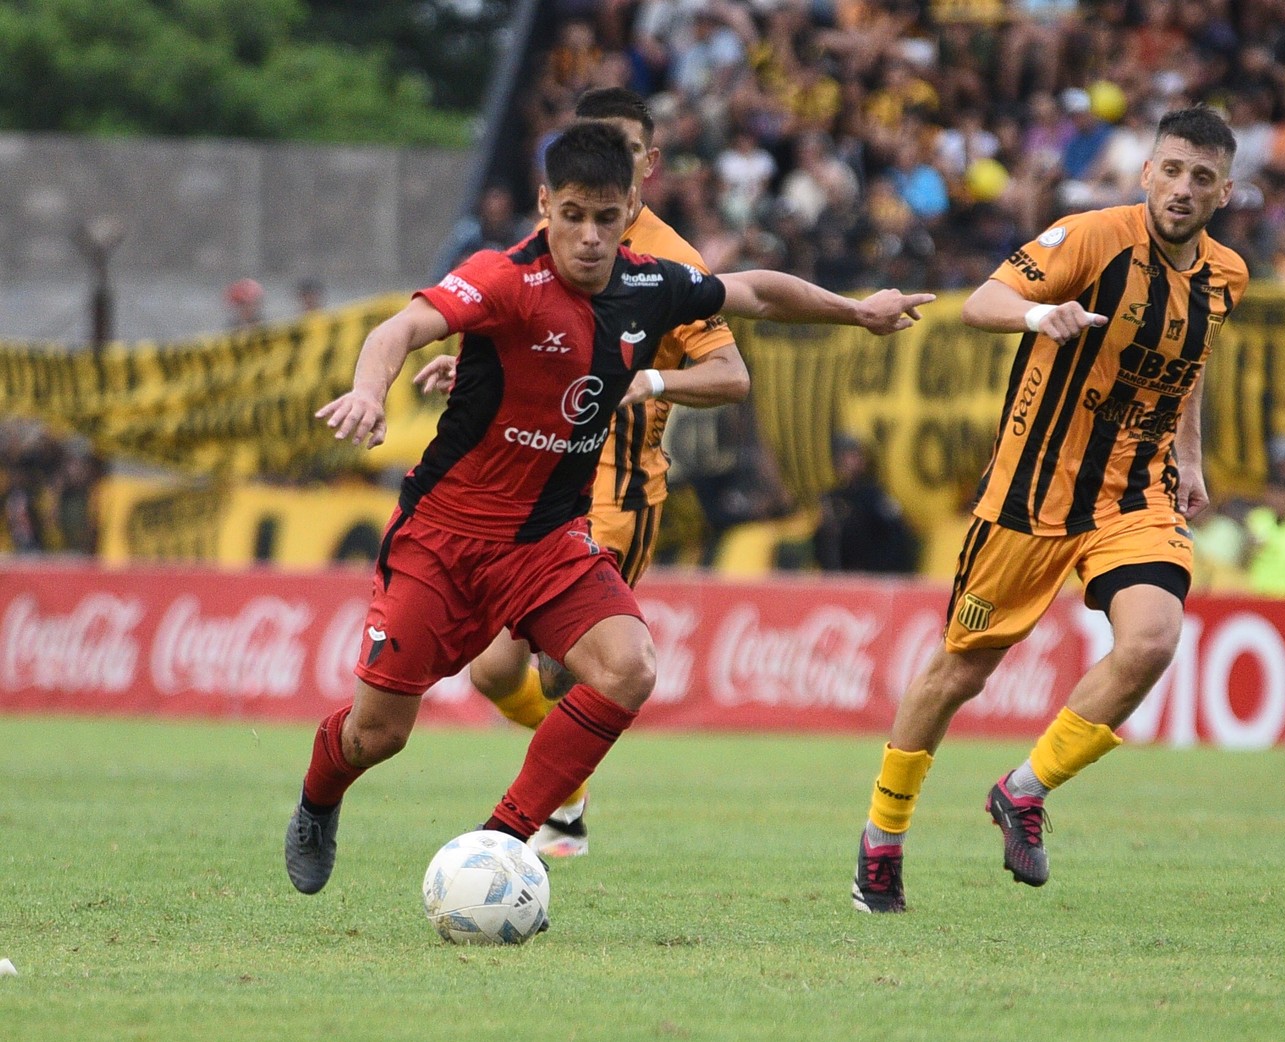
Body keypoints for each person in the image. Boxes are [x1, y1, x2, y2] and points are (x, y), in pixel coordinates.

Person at [284, 119, 933, 896]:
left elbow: (755, 290)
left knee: (628, 667)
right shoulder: (501, 277)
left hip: (547, 542)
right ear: (544, 207)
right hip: (443, 540)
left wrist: (857, 309)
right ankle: (318, 800)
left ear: (630, 209)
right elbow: (404, 326)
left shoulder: (652, 283)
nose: (588, 237)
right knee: (377, 735)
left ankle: (502, 844)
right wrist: (366, 389)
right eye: (572, 216)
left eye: (605, 217)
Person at [851, 106, 1249, 914]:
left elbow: (1191, 357)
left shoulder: (1225, 277)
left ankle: (1022, 790)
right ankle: (881, 841)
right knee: (959, 671)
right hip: (1029, 497)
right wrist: (1042, 315)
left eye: (1200, 177)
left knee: (1151, 641)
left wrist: (1189, 454)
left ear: (1224, 192)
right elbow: (980, 303)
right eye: (1170, 170)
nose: (1181, 188)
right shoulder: (1091, 237)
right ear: (1145, 173)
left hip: (1131, 493)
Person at [412, 87, 758, 857]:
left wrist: (655, 381)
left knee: (576, 667)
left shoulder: (673, 262)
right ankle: (563, 798)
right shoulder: (554, 236)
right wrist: (463, 373)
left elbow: (731, 374)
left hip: (615, 489)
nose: (604, 182)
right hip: (529, 482)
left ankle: (532, 826)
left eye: (625, 153)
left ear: (648, 166)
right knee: (493, 676)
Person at [813, 432, 918, 573]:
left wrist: (873, 572)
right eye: (845, 456)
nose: (849, 461)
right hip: (842, 578)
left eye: (854, 455)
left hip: (876, 575)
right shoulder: (832, 498)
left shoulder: (874, 496)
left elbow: (897, 537)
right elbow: (823, 547)